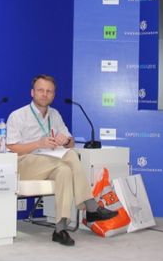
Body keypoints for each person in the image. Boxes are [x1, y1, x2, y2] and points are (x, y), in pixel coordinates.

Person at [6, 75, 118, 246]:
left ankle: (60, 229)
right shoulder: (18, 115)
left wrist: (65, 140)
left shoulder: (55, 115)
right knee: (70, 157)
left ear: (54, 95)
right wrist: (38, 143)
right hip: (24, 163)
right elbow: (11, 147)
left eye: (49, 91)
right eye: (41, 90)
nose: (44, 94)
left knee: (65, 169)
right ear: (32, 92)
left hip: (51, 161)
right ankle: (91, 206)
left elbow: (70, 143)